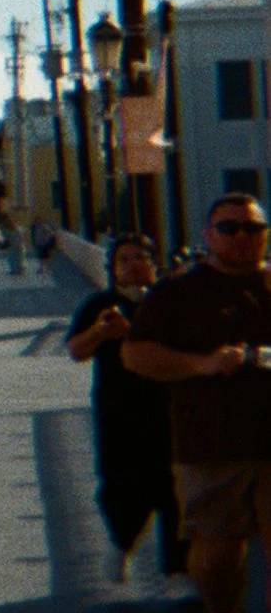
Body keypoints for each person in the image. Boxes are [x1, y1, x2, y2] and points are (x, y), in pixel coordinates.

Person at [124, 193, 271, 613]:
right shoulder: (177, 294)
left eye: (252, 228)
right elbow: (137, 355)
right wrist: (203, 365)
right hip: (211, 445)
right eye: (229, 228)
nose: (242, 238)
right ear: (208, 235)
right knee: (216, 561)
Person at [66, 234, 183, 586]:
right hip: (119, 411)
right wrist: (101, 333)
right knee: (120, 486)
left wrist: (128, 331)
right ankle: (121, 542)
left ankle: (177, 571)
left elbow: (175, 348)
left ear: (154, 263)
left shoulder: (170, 304)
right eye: (124, 260)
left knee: (172, 489)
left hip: (168, 409)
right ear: (113, 268)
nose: (132, 265)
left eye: (139, 258)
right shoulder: (99, 305)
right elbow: (76, 350)